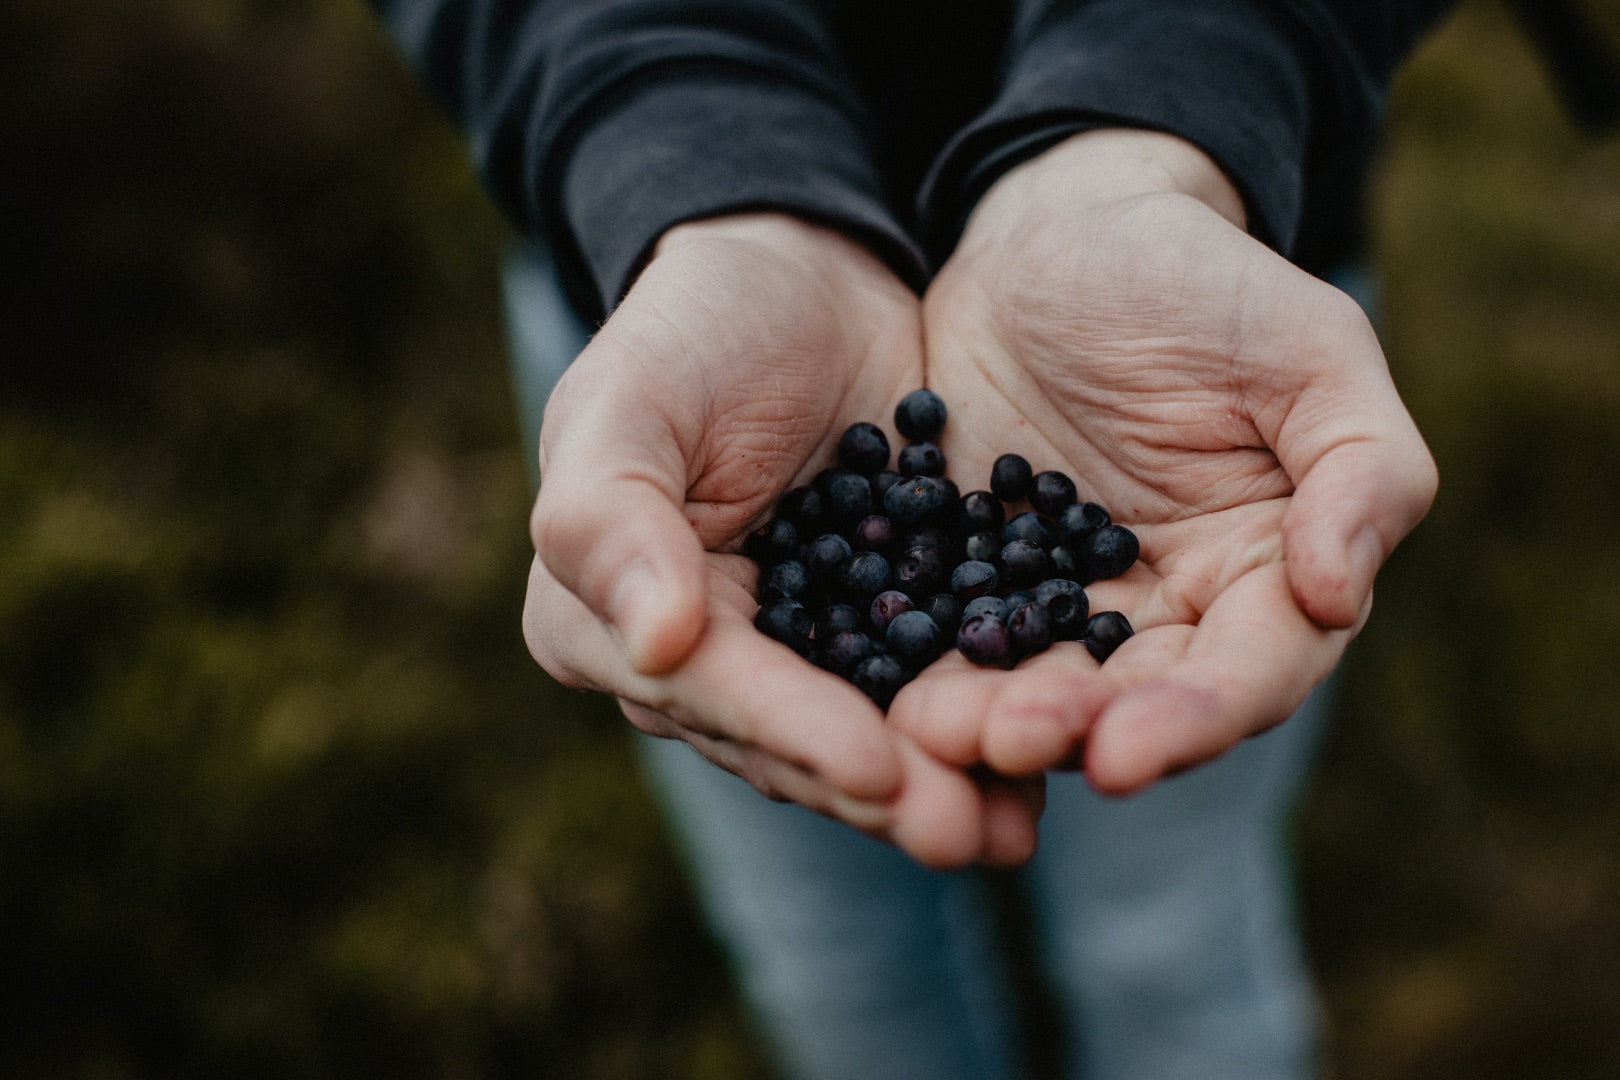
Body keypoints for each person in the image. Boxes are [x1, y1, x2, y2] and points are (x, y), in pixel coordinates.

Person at [369, 2, 1450, 1076]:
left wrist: (1164, 108)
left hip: (1207, 260)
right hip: (659, 275)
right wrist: (683, 153)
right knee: (836, 954)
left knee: (1167, 937)